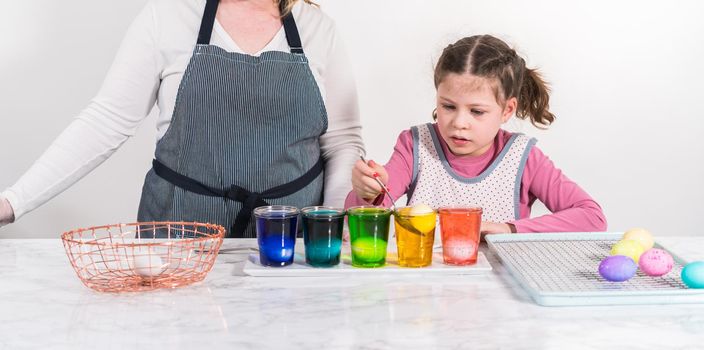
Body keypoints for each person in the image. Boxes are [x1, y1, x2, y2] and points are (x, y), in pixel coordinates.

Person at [0, 0, 364, 237]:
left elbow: (342, 143)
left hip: (288, 246)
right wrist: (11, 203)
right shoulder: (167, 16)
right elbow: (106, 121)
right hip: (175, 244)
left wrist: (329, 226)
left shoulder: (317, 28)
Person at [346, 34, 607, 234]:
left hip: (500, 295)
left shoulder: (524, 158)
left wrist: (510, 229)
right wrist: (367, 192)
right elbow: (357, 215)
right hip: (426, 288)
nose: (459, 122)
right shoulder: (415, 146)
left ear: (507, 110)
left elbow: (592, 217)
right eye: (448, 106)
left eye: (477, 111)